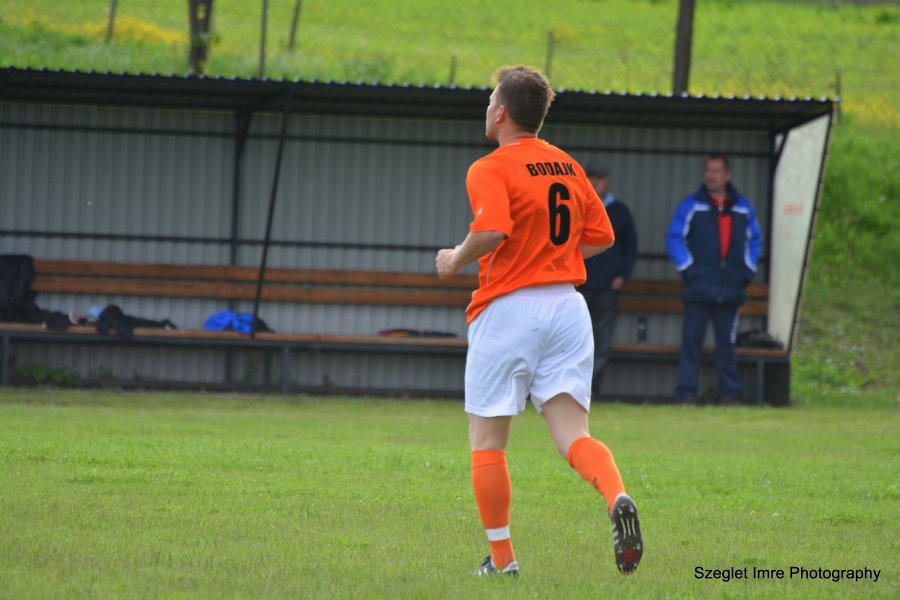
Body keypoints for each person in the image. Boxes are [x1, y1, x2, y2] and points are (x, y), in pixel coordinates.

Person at [435, 65, 643, 578]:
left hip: (510, 309)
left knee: (487, 441)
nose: (487, 108)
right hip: (568, 308)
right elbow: (601, 236)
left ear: (501, 113)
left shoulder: (489, 167)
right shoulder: (566, 164)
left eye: (490, 101)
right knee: (574, 434)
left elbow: (491, 231)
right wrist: (552, 257)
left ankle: (502, 561)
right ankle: (616, 495)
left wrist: (455, 258)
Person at [666, 155, 762, 404]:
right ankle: (687, 392)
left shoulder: (743, 207)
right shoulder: (691, 205)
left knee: (727, 346)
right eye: (708, 171)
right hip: (698, 288)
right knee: (691, 344)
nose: (711, 176)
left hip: (731, 289)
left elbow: (755, 241)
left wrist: (747, 271)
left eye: (716, 171)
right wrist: (689, 270)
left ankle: (729, 394)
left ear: (727, 175)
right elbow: (674, 239)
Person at [578, 163, 638, 398]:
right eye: (590, 177)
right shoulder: (575, 206)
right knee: (574, 340)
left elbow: (631, 246)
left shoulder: (620, 211)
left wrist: (623, 276)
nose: (595, 182)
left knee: (601, 342)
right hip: (578, 285)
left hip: (608, 287)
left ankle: (592, 390)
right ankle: (573, 390)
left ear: (608, 181)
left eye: (599, 178)